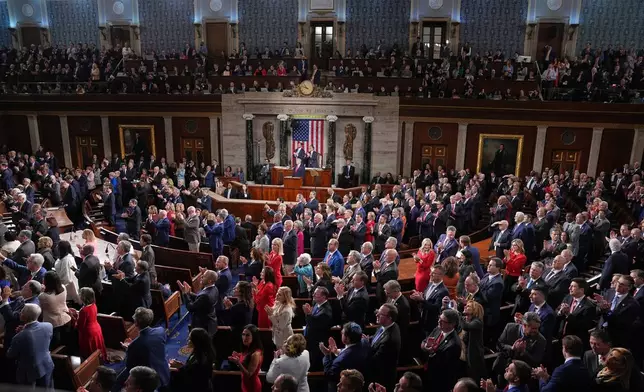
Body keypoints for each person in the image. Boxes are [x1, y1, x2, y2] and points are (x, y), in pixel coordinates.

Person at [115, 307, 170, 391]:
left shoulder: (135, 344)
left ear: (136, 323)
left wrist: (128, 348)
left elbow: (130, 367)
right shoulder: (160, 331)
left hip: (150, 379)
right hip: (164, 372)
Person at [6, 303, 54, 389]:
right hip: (46, 364)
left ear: (24, 316)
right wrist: (25, 329)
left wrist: (22, 333)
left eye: (22, 311)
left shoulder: (19, 336)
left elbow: (10, 354)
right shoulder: (48, 326)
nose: (20, 312)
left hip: (28, 372)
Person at [422, 309, 462, 392]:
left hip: (440, 381)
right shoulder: (438, 329)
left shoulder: (454, 344)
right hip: (429, 374)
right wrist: (426, 346)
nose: (439, 321)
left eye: (442, 321)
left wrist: (432, 352)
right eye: (439, 318)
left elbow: (445, 366)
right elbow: (424, 341)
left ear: (452, 324)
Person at [364, 303, 402, 391]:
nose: (376, 314)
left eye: (380, 314)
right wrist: (369, 339)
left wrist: (364, 347)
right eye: (378, 312)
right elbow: (377, 337)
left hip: (381, 379)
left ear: (390, 318)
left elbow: (375, 360)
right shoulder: (386, 325)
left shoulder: (390, 340)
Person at [322, 322, 368, 391]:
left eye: (342, 333)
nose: (341, 333)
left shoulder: (341, 360)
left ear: (348, 339)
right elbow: (352, 350)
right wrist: (338, 351)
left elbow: (329, 374)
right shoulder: (364, 342)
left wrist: (327, 355)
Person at [169, 328, 216, 392]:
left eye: (190, 338)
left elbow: (191, 377)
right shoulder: (201, 352)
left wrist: (179, 368)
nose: (187, 340)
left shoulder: (201, 360)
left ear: (196, 341)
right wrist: (182, 366)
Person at [177, 269, 219, 337]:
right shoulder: (214, 288)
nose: (201, 277)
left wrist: (185, 294)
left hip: (203, 326)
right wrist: (189, 293)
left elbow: (191, 308)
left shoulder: (205, 295)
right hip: (211, 322)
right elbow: (200, 299)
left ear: (209, 281)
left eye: (204, 276)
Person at [411, 264, 449, 335]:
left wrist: (422, 300)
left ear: (440, 276)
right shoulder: (430, 284)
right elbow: (425, 299)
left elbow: (436, 308)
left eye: (433, 273)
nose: (430, 274)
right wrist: (419, 297)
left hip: (431, 324)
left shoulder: (443, 291)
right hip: (423, 320)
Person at [304, 286, 334, 371]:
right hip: (311, 340)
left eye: (316, 294)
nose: (313, 295)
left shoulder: (326, 311)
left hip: (317, 343)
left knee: (315, 364)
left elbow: (314, 325)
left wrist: (308, 314)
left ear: (323, 297)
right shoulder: (317, 304)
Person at [39, 271, 71, 349]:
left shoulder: (44, 296)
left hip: (52, 323)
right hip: (66, 318)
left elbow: (41, 307)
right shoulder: (63, 287)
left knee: (54, 346)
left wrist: (42, 291)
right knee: (65, 344)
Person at [75, 287, 107, 361]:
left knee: (89, 352)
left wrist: (75, 319)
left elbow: (80, 326)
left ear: (83, 297)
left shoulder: (84, 310)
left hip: (88, 333)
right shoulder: (94, 305)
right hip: (97, 329)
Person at [228, 324, 263, 392]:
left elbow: (249, 374)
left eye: (247, 335)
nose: (244, 337)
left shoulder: (256, 354)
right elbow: (246, 357)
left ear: (254, 337)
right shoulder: (248, 349)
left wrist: (238, 363)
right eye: (243, 334)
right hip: (245, 385)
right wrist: (239, 355)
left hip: (252, 387)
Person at [221, 281, 254, 349]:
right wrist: (231, 308)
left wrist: (228, 308)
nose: (234, 288)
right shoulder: (249, 302)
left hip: (238, 336)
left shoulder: (237, 307)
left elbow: (228, 322)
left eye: (236, 288)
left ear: (241, 292)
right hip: (246, 332)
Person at [460, 300, 487, 383]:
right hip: (464, 355)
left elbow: (466, 327)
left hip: (474, 358)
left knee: (474, 380)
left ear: (474, 310)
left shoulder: (477, 322)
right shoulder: (465, 320)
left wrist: (458, 314)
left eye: (468, 306)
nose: (465, 307)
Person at [54, 240, 81, 305]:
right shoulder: (68, 257)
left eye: (58, 247)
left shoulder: (66, 260)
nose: (56, 248)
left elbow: (66, 276)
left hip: (67, 288)